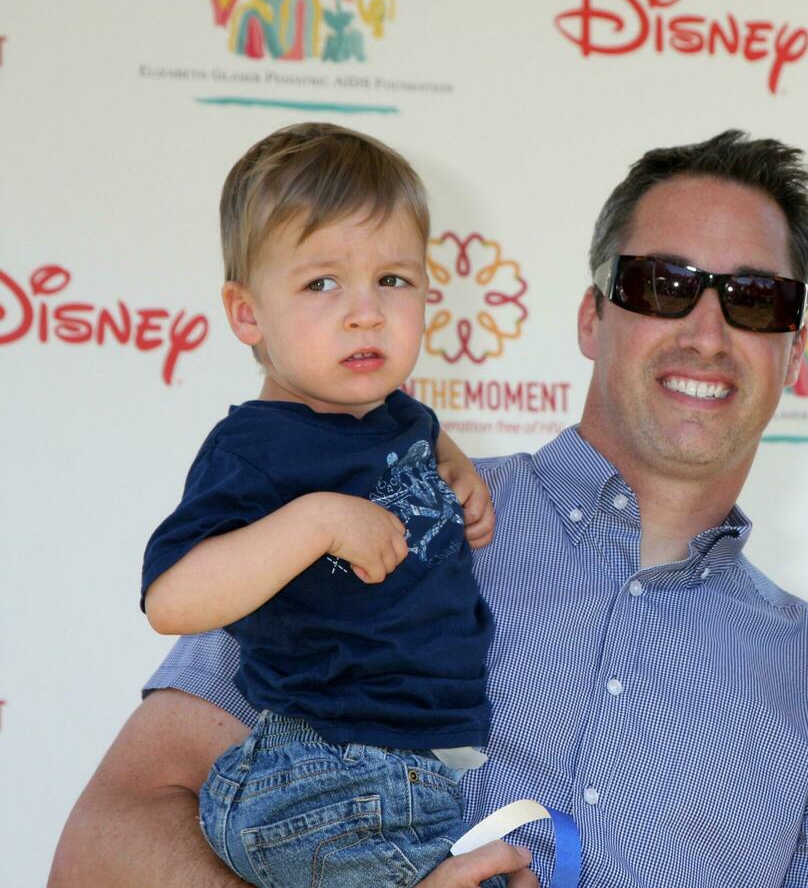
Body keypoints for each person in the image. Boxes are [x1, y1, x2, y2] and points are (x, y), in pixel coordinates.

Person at [51, 129, 808, 887]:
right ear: (593, 317)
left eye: (755, 298)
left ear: (796, 351)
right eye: (663, 285)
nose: (707, 330)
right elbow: (104, 846)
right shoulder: (377, 504)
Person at [132, 122, 541, 888]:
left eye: (393, 280)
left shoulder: (398, 418)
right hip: (319, 772)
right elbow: (172, 596)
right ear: (248, 314)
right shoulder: (258, 448)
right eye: (322, 283)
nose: (365, 312)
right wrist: (315, 521)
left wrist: (456, 470)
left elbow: (419, 434)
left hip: (401, 768)